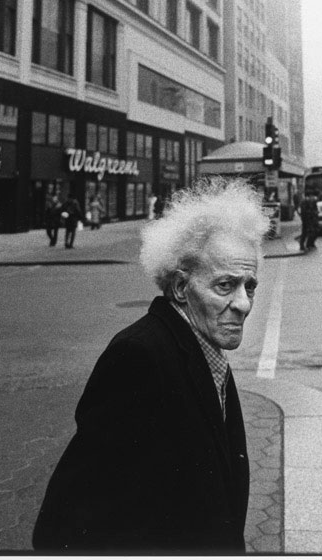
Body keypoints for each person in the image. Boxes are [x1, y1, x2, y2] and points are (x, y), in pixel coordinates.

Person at [32, 179, 270, 554]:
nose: (243, 303)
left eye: (250, 286)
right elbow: (69, 518)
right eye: (225, 285)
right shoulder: (140, 358)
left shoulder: (202, 348)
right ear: (180, 287)